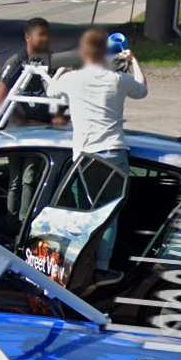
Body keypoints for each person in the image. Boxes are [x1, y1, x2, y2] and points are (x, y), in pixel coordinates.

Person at [44, 29, 147, 276]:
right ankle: (101, 267)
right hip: (113, 154)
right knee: (108, 213)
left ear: (83, 54)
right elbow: (142, 90)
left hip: (84, 158)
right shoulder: (117, 80)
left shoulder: (73, 79)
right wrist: (133, 61)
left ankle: (80, 262)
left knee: (84, 214)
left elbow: (51, 91)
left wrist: (62, 70)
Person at [0, 17, 57, 126]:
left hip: (51, 126)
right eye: (41, 34)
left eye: (47, 35)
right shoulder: (15, 63)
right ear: (28, 37)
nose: (46, 38)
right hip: (23, 129)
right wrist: (22, 123)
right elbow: (0, 101)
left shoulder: (53, 60)